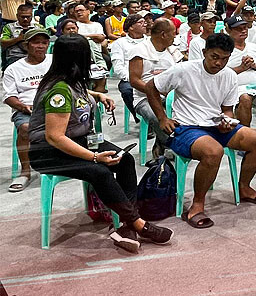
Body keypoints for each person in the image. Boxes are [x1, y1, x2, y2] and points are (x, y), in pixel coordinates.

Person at [28, 34, 173, 251]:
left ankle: (127, 224)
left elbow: (78, 92)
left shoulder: (71, 80)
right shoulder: (58, 90)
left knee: (124, 160)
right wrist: (94, 157)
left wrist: (96, 95)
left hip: (79, 140)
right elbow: (54, 137)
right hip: (49, 152)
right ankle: (137, 224)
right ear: (79, 59)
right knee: (101, 171)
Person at [145, 33, 256, 227]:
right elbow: (150, 87)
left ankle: (245, 188)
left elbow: (227, 109)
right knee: (214, 151)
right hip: (187, 127)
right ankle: (197, 204)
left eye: (225, 59)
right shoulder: (184, 69)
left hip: (214, 125)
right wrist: (162, 118)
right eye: (215, 57)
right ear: (204, 52)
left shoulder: (229, 75)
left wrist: (227, 121)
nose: (219, 63)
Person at [3, 28, 52, 192]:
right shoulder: (14, 69)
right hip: (26, 109)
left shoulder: (55, 61)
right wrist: (22, 107)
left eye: (44, 43)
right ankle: (25, 172)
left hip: (55, 106)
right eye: (36, 42)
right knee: (25, 128)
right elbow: (9, 97)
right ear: (26, 45)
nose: (40, 46)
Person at [129, 19, 184, 158]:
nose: (175, 36)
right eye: (173, 33)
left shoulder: (172, 51)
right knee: (157, 117)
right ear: (163, 34)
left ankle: (161, 145)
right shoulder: (139, 50)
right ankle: (172, 144)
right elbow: (134, 81)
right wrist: (156, 91)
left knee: (188, 113)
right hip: (144, 98)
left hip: (170, 96)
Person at [224, 14, 256, 143]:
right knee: (245, 98)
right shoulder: (225, 50)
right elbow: (220, 75)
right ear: (229, 30)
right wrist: (241, 68)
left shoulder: (254, 48)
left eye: (245, 28)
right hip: (235, 89)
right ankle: (245, 139)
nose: (243, 31)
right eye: (239, 29)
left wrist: (255, 66)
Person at [110, 14, 147, 118]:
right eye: (141, 22)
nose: (145, 24)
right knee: (127, 90)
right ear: (130, 27)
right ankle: (141, 118)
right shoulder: (120, 43)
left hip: (149, 76)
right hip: (130, 78)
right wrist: (133, 79)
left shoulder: (149, 41)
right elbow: (118, 67)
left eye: (145, 22)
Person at [2, 3, 39, 70]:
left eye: (28, 17)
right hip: (15, 58)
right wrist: (18, 39)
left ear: (32, 16)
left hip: (35, 57)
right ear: (17, 16)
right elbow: (2, 43)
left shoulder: (38, 27)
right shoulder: (9, 27)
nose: (25, 19)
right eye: (22, 17)